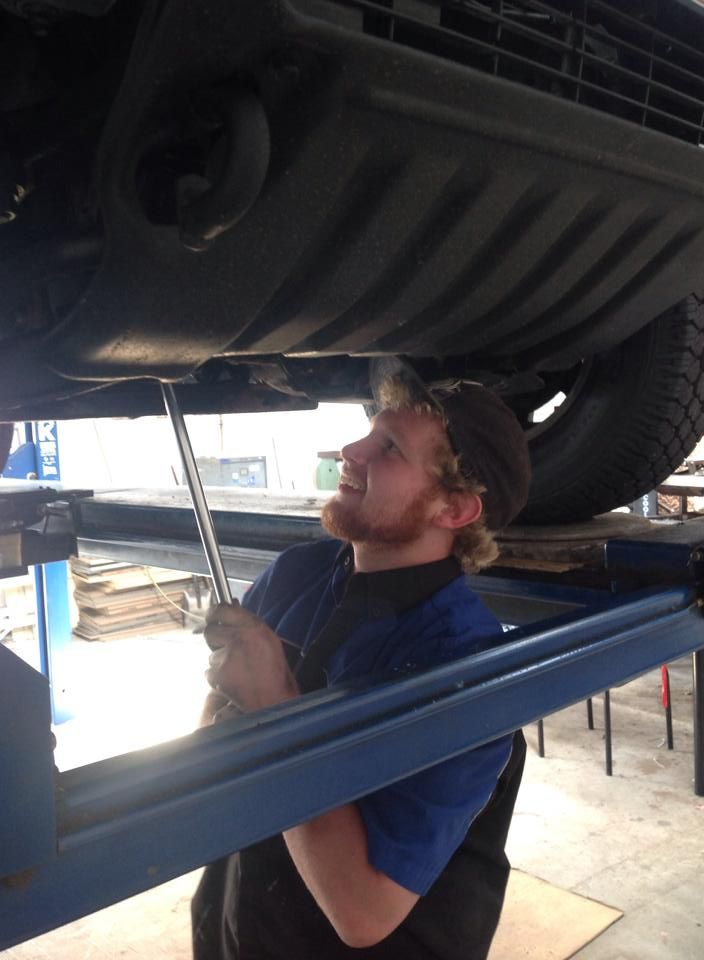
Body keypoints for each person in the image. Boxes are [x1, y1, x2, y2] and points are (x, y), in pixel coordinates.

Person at [191, 357, 532, 960]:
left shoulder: (465, 670)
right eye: (370, 428)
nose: (351, 448)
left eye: (390, 448)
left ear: (453, 510)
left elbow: (364, 913)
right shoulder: (297, 572)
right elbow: (215, 729)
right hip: (237, 927)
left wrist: (276, 704)